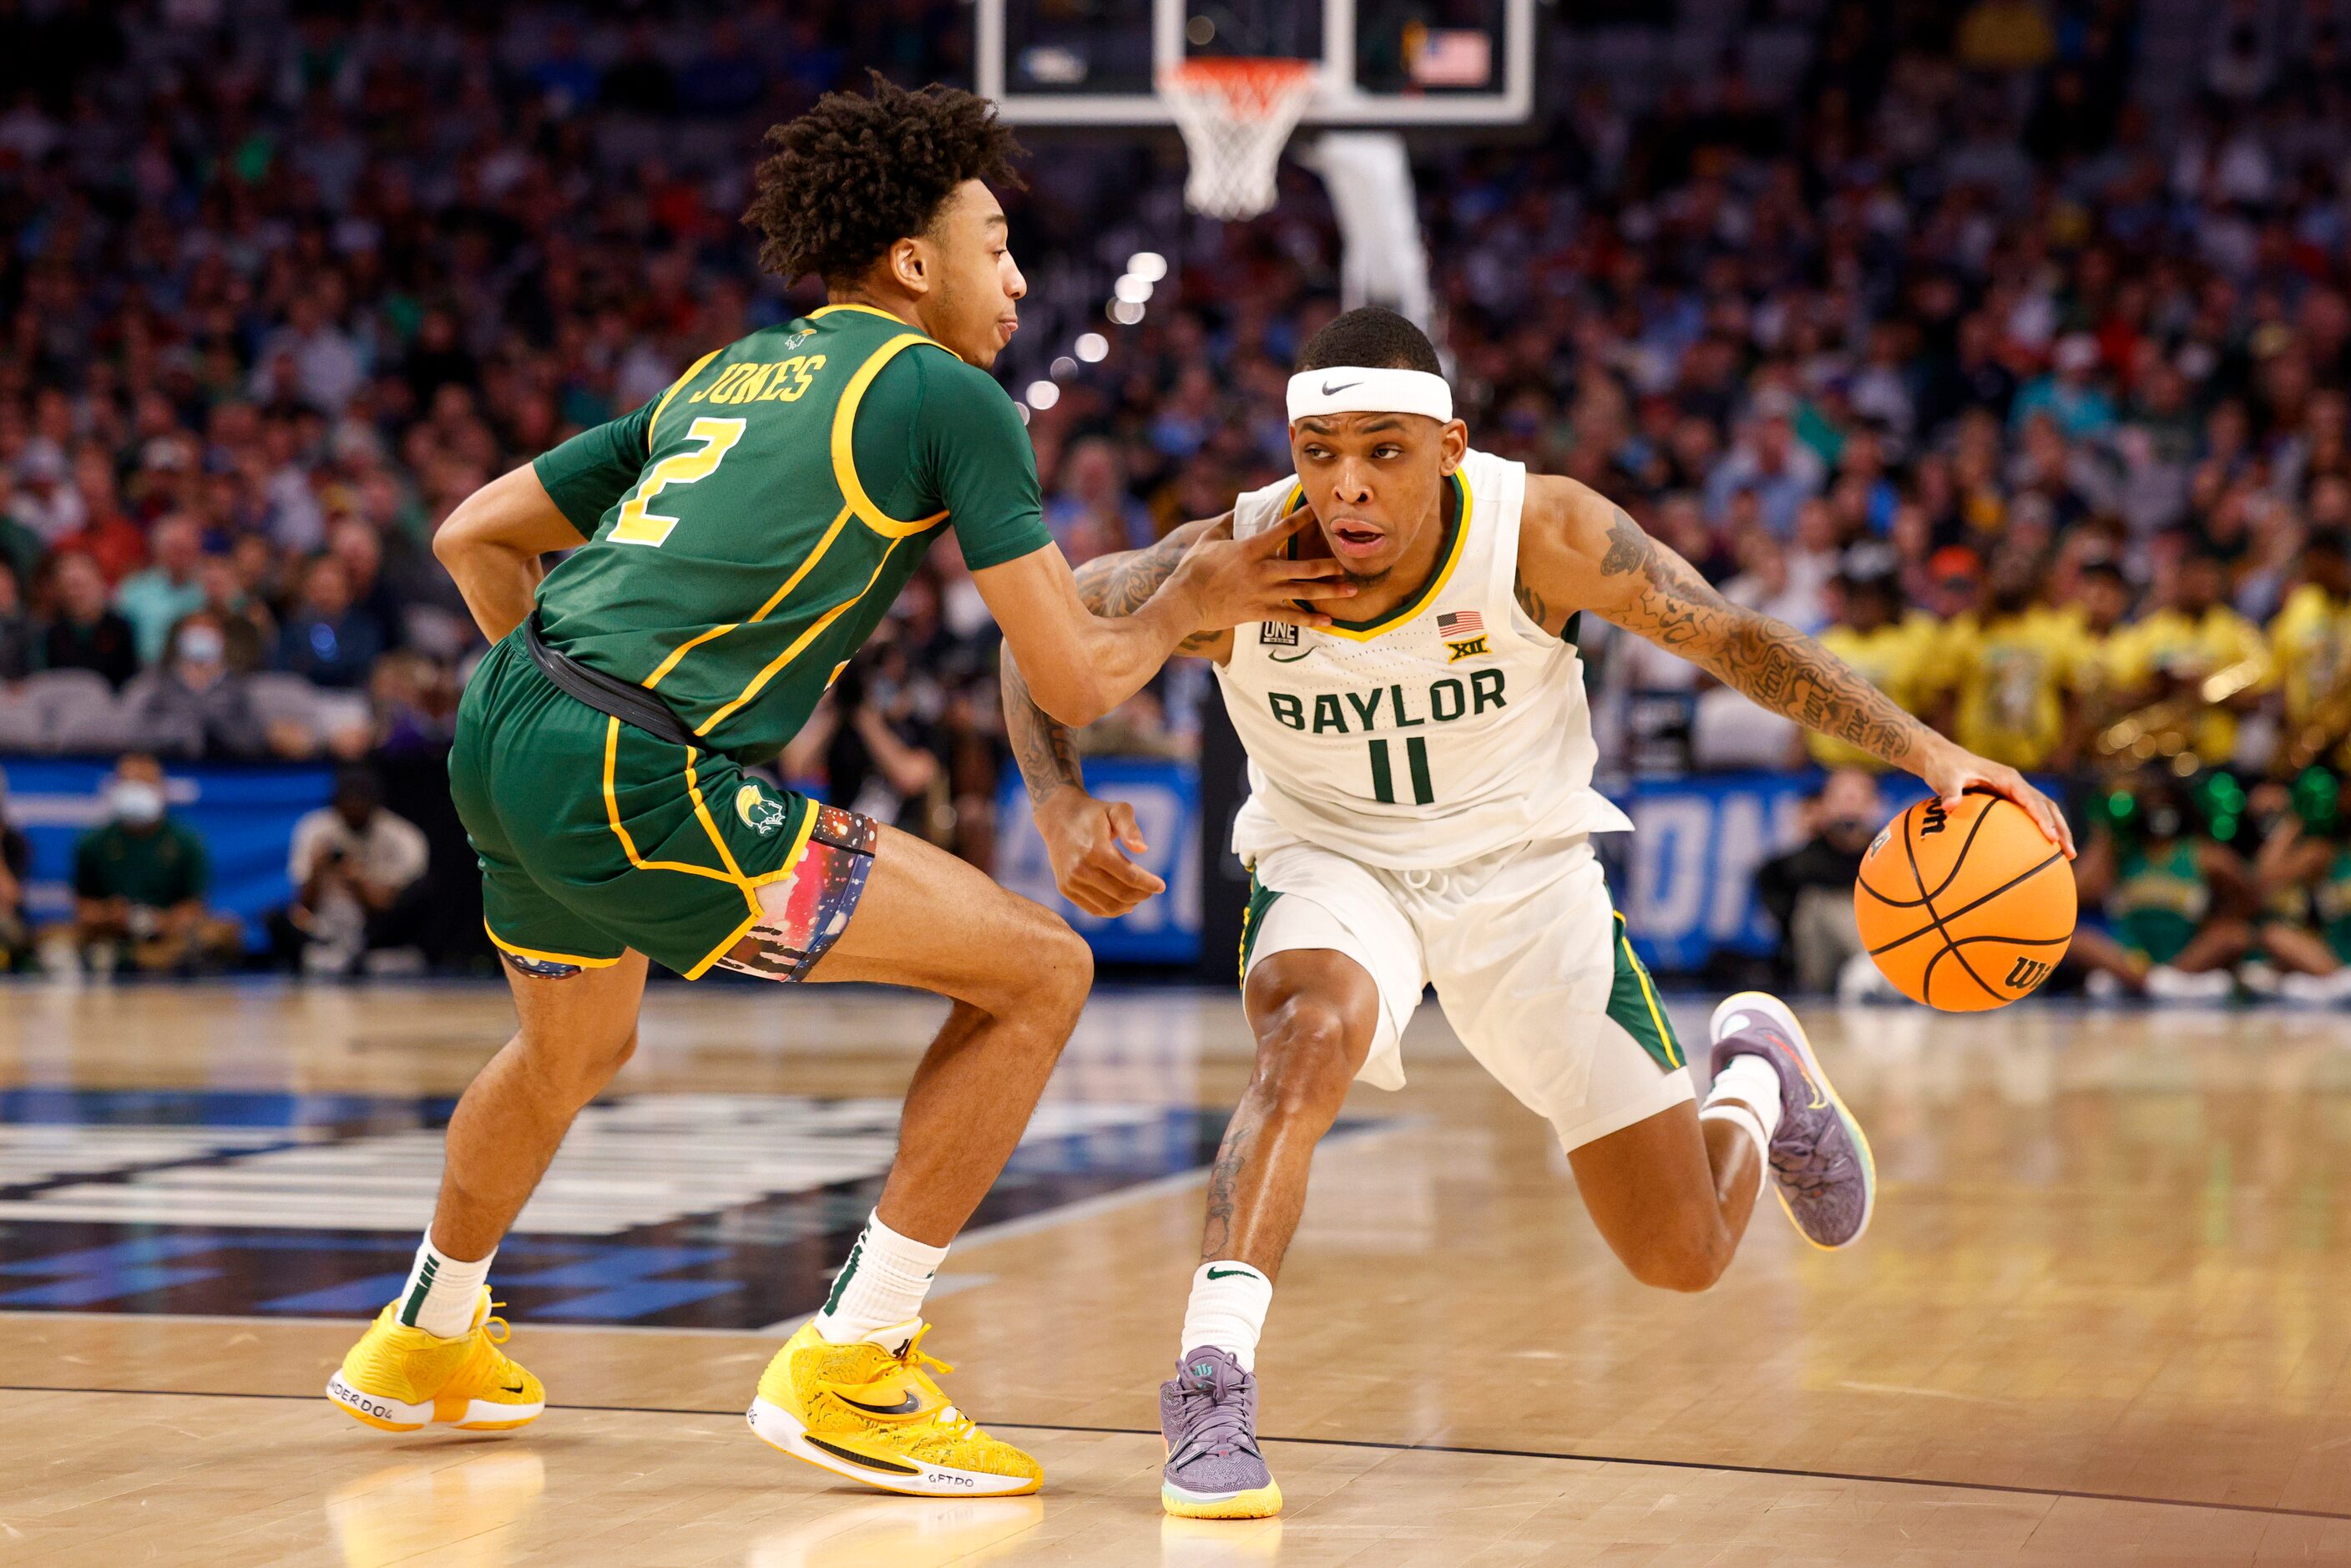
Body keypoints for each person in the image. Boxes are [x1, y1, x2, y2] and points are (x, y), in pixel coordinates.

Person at [323, 78, 1347, 1501]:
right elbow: (1072, 675)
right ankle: (855, 1358)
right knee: (1043, 969)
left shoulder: (730, 372)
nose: (1015, 275)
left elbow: (471, 532)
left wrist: (559, 712)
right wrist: (1195, 593)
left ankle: (427, 1333)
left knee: (571, 1048)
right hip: (628, 762)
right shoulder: (945, 393)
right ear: (913, 263)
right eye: (993, 243)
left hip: (505, 726)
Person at [1003, 306, 2073, 1520]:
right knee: (1308, 1034)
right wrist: (1058, 800)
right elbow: (1049, 624)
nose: (1346, 486)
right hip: (1333, 861)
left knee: (1682, 1255)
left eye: (1385, 450)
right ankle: (1213, 1377)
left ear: (1451, 444)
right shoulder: (1232, 563)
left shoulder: (1538, 532)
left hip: (1528, 879)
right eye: (1320, 450)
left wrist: (1929, 754)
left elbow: (1731, 636)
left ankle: (1757, 1079)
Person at [53, 752, 240, 974]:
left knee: (222, 932)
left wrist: (159, 921)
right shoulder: (92, 842)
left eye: (143, 784)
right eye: (128, 784)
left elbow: (194, 906)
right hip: (111, 931)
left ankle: (135, 959)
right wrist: (108, 915)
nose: (135, 792)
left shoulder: (186, 841)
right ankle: (123, 957)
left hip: (167, 933)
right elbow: (82, 907)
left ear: (161, 789)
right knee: (53, 938)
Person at [2068, 773, 2253, 999]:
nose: (2158, 808)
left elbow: (2249, 894)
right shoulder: (2123, 853)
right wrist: (2107, 830)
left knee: (2235, 936)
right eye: (2150, 800)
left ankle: (2154, 982)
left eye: (2165, 800)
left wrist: (2216, 921)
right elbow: (2078, 892)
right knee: (2076, 940)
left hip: (2185, 955)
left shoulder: (2201, 853)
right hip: (2130, 957)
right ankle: (2155, 983)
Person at [276, 766, 431, 975]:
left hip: (375, 924)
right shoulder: (315, 829)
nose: (354, 810)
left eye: (361, 805)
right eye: (347, 805)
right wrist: (317, 870)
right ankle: (325, 958)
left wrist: (357, 881)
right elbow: (304, 905)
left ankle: (365, 957)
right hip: (327, 924)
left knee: (424, 890)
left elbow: (391, 904)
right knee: (274, 918)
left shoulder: (402, 837)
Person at [1755, 768, 1890, 997]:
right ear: (1824, 805)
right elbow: (1771, 886)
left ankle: (1874, 969)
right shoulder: (1803, 860)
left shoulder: (1891, 855)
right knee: (1817, 902)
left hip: (1883, 942)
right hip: (1822, 967)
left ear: (1875, 805)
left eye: (1856, 798)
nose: (1849, 807)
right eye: (1841, 798)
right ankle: (1871, 969)